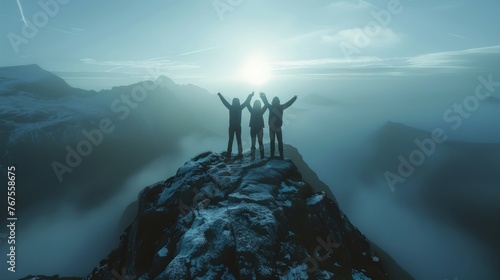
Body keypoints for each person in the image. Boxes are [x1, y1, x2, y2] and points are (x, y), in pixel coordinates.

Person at [260, 92, 297, 159]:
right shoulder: (281, 107)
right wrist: (294, 99)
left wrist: (262, 96)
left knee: (272, 141)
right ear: (278, 101)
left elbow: (266, 102)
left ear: (273, 101)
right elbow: (288, 104)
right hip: (278, 127)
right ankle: (281, 155)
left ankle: (272, 155)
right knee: (280, 141)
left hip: (271, 127)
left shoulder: (271, 107)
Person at [218, 92, 253, 159]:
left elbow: (224, 102)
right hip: (238, 126)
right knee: (239, 139)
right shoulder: (240, 108)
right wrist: (250, 96)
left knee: (230, 140)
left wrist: (220, 95)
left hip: (231, 126)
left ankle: (229, 153)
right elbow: (246, 102)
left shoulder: (231, 107)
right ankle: (240, 153)